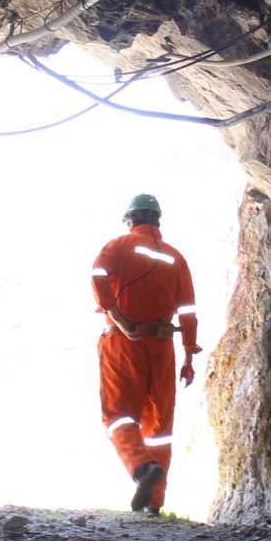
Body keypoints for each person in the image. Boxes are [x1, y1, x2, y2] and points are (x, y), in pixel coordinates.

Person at [89, 192, 199, 516]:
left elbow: (97, 275)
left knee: (118, 416)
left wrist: (116, 314)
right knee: (159, 430)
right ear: (157, 221)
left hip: (123, 342)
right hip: (162, 347)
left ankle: (141, 467)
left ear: (131, 220)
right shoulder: (175, 258)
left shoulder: (118, 246)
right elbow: (188, 310)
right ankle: (154, 504)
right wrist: (189, 355)